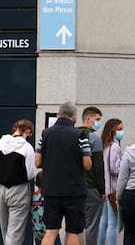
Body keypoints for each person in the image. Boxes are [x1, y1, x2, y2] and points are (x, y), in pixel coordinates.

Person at [36, 102, 93, 245]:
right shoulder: (80, 134)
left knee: (51, 230)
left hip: (51, 191)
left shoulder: (45, 134)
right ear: (74, 118)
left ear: (58, 115)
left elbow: (37, 162)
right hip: (74, 191)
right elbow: (87, 164)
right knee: (72, 232)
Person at [0, 119, 37, 245]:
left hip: (0, 189)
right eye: (30, 134)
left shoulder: (1, 143)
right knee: (15, 232)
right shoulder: (27, 148)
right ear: (27, 131)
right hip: (18, 191)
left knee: (4, 229)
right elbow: (30, 173)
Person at [78, 106, 105, 245]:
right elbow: (98, 167)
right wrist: (102, 190)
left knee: (73, 227)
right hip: (90, 187)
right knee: (92, 226)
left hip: (71, 187)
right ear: (88, 119)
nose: (99, 123)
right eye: (97, 119)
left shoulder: (71, 135)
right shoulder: (94, 138)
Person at [97, 119, 123, 245]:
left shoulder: (104, 145)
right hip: (113, 189)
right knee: (113, 224)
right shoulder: (115, 146)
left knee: (104, 221)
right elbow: (115, 168)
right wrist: (124, 161)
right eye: (119, 129)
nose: (121, 132)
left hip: (105, 188)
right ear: (112, 131)